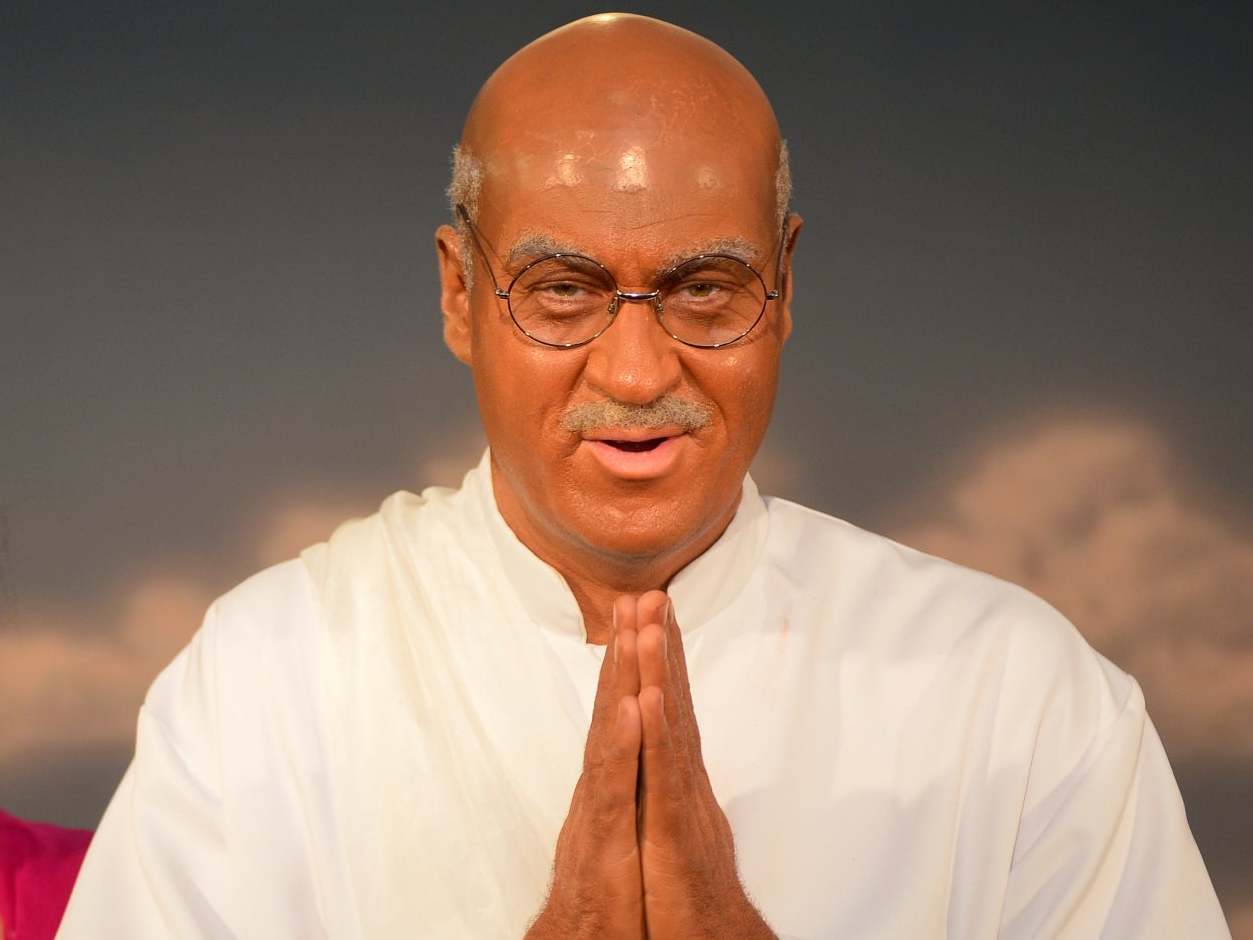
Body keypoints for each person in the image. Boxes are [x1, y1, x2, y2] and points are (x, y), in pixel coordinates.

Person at [58, 13, 1229, 939]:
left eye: (704, 289)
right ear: (459, 293)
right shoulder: (266, 682)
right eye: (561, 290)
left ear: (786, 282)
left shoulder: (1015, 701)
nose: (632, 370)